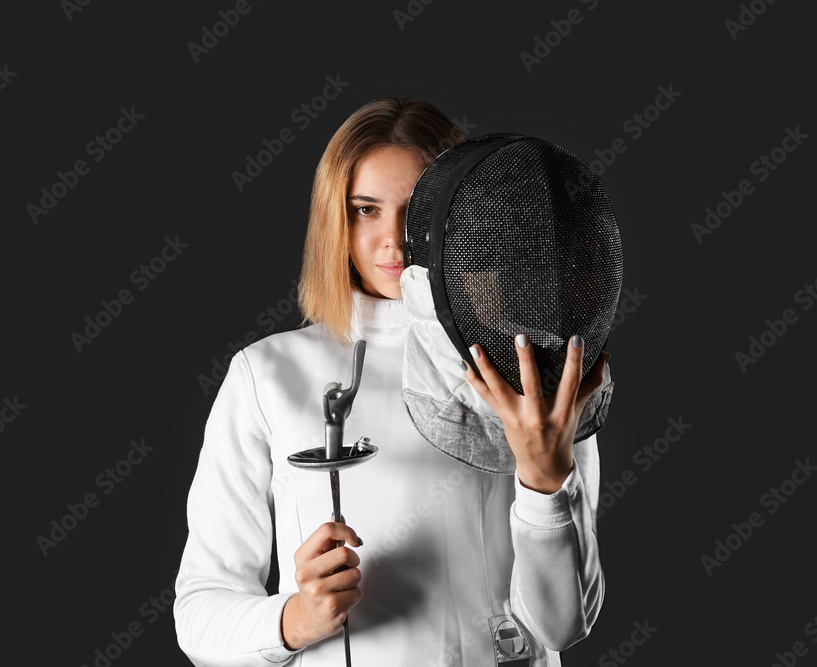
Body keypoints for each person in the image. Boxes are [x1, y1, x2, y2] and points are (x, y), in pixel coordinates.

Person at [174, 97, 608, 666]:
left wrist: (545, 485)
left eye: (417, 208)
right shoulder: (269, 375)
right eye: (366, 210)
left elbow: (563, 626)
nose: (394, 239)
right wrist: (294, 620)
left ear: (465, 212)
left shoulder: (530, 364)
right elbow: (200, 613)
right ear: (336, 219)